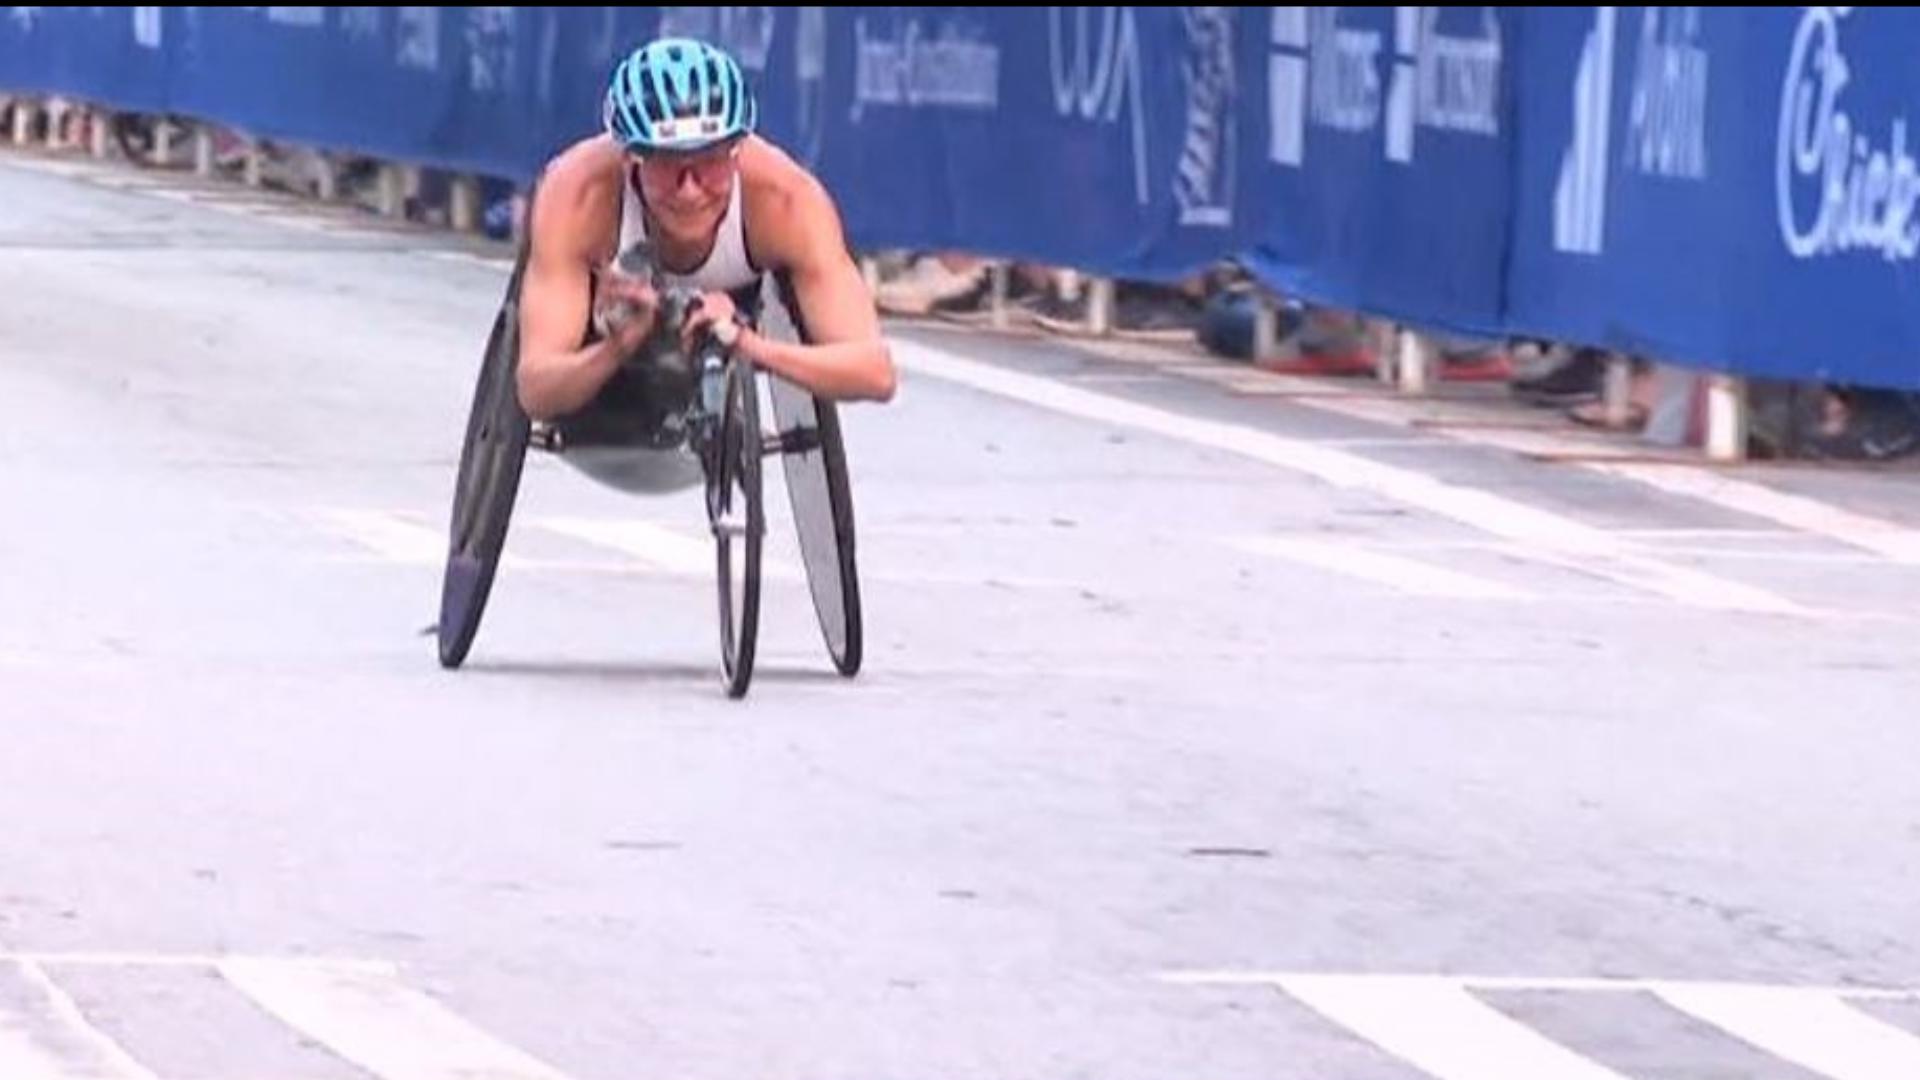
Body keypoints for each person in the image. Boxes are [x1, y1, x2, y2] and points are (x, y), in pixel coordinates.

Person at [514, 37, 897, 426]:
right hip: (609, 322)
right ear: (632, 156)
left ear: (736, 150)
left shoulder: (786, 202)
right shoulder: (577, 195)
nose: (689, 188)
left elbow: (874, 372)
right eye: (668, 163)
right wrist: (617, 348)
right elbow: (536, 391)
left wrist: (749, 345)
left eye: (709, 161)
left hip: (733, 310)